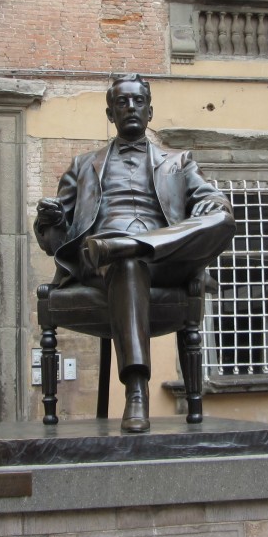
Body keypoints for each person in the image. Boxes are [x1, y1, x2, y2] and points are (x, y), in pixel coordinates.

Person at [34, 75, 235, 433]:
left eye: (138, 101)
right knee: (126, 264)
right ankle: (136, 392)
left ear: (150, 110)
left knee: (223, 217)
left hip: (166, 261)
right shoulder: (83, 165)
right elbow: (56, 241)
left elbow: (211, 200)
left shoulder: (180, 162)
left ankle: (129, 246)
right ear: (110, 114)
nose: (131, 108)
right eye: (122, 103)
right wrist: (49, 221)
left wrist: (210, 204)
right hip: (101, 261)